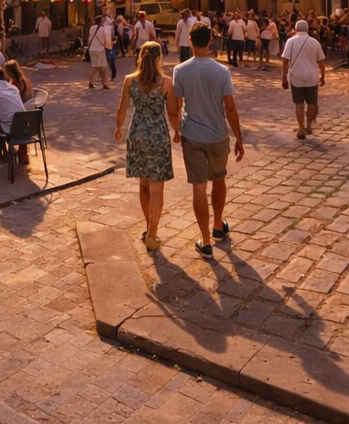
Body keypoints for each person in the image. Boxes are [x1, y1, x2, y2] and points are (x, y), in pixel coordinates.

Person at [168, 24, 245, 259]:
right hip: (217, 134)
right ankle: (218, 224)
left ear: (189, 40)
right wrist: (239, 137)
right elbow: (230, 108)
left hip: (192, 134)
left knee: (199, 187)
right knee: (219, 179)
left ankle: (206, 239)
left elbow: (175, 105)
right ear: (211, 40)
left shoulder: (180, 70)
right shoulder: (221, 71)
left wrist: (176, 129)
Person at [114, 42, 175, 253]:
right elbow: (174, 112)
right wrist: (178, 132)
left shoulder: (130, 81)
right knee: (157, 187)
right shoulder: (166, 83)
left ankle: (148, 226)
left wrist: (118, 128)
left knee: (143, 184)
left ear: (140, 57)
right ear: (160, 58)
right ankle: (153, 232)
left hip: (137, 133)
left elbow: (121, 108)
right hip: (158, 135)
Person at [280, 18, 327, 139]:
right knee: (312, 103)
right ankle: (309, 125)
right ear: (307, 29)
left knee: (299, 104)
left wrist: (284, 75)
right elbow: (321, 61)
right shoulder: (314, 42)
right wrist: (323, 76)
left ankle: (301, 128)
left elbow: (285, 60)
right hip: (312, 76)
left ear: (295, 29)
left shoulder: (290, 41)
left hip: (296, 76)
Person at [86, 16, 113, 90]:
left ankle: (91, 82)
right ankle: (105, 83)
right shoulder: (101, 29)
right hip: (100, 49)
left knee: (95, 66)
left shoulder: (91, 28)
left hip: (92, 49)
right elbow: (103, 40)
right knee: (104, 67)